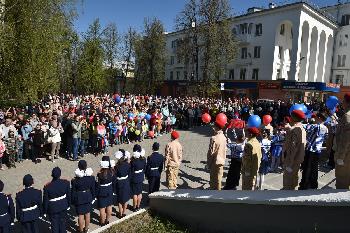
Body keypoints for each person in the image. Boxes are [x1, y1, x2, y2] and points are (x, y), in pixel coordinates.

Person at [299, 112, 328, 190]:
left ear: (319, 118)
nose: (314, 118)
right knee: (314, 169)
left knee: (306, 168)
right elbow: (325, 138)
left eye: (316, 117)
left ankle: (304, 185)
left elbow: (302, 127)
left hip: (310, 150)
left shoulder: (314, 126)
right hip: (318, 150)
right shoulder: (325, 128)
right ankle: (313, 185)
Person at [282, 110, 307, 190]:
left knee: (288, 182)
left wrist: (290, 162)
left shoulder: (296, 130)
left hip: (291, 160)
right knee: (294, 179)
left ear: (294, 118)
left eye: (291, 116)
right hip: (297, 159)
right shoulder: (301, 128)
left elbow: (293, 147)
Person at [43, 167, 71, 233]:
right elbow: (68, 196)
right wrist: (69, 205)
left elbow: (45, 201)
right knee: (63, 224)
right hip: (63, 206)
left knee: (54, 225)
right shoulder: (66, 183)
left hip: (53, 209)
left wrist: (45, 210)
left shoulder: (47, 187)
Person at [71, 160, 95, 233]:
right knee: (87, 214)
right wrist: (93, 197)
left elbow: (73, 192)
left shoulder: (74, 180)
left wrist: (73, 201)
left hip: (79, 198)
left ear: (78, 167)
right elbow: (93, 189)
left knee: (80, 215)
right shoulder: (91, 178)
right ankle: (86, 229)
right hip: (88, 197)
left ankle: (81, 230)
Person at [334, 93, 350, 189]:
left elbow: (346, 139)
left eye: (343, 101)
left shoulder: (347, 116)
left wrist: (341, 156)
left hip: (346, 155)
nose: (341, 103)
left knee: (341, 182)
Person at [207, 122, 227, 190]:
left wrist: (208, 163)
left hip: (214, 161)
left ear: (216, 127)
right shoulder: (224, 137)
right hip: (221, 161)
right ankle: (218, 192)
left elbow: (211, 153)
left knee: (213, 179)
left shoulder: (214, 138)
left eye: (214, 126)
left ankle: (212, 192)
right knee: (219, 179)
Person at [96, 156, 115, 226]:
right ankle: (107, 220)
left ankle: (102, 222)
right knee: (109, 206)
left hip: (102, 191)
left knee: (102, 208)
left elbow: (97, 185)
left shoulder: (99, 174)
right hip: (109, 190)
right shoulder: (112, 172)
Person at [114, 149, 131, 218]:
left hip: (119, 183)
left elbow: (115, 176)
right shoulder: (127, 164)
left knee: (119, 199)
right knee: (126, 198)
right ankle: (124, 212)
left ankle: (120, 213)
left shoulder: (116, 166)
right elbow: (129, 174)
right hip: (126, 182)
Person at [130, 145, 146, 211]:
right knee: (139, 193)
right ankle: (138, 206)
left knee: (134, 193)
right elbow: (144, 168)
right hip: (141, 176)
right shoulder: (143, 159)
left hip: (134, 178)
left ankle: (134, 207)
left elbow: (131, 171)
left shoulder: (133, 161)